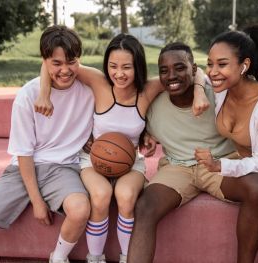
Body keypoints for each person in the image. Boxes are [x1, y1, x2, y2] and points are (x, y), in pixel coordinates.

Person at [35, 33, 209, 263]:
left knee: (126, 197)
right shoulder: (99, 81)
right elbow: (49, 63)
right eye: (113, 66)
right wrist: (44, 95)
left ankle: (128, 257)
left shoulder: (148, 89)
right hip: (92, 160)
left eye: (126, 67)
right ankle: (95, 258)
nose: (119, 73)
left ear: (137, 66)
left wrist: (198, 92)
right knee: (101, 194)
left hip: (130, 162)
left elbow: (197, 71)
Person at [127, 42, 258, 263]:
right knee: (145, 207)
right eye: (164, 70)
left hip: (220, 164)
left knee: (256, 186)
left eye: (179, 68)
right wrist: (144, 135)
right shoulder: (153, 104)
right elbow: (125, 122)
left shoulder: (218, 93)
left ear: (194, 70)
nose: (171, 75)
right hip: (178, 167)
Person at [0, 25, 94, 263]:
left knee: (80, 210)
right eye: (56, 63)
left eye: (72, 62)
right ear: (44, 62)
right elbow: (24, 153)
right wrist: (37, 201)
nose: (65, 70)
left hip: (63, 167)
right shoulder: (28, 95)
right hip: (23, 168)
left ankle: (57, 258)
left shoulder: (89, 89)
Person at [195, 24, 258, 263]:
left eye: (222, 64)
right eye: (210, 63)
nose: (213, 71)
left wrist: (220, 166)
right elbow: (194, 71)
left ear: (244, 65)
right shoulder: (221, 90)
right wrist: (199, 90)